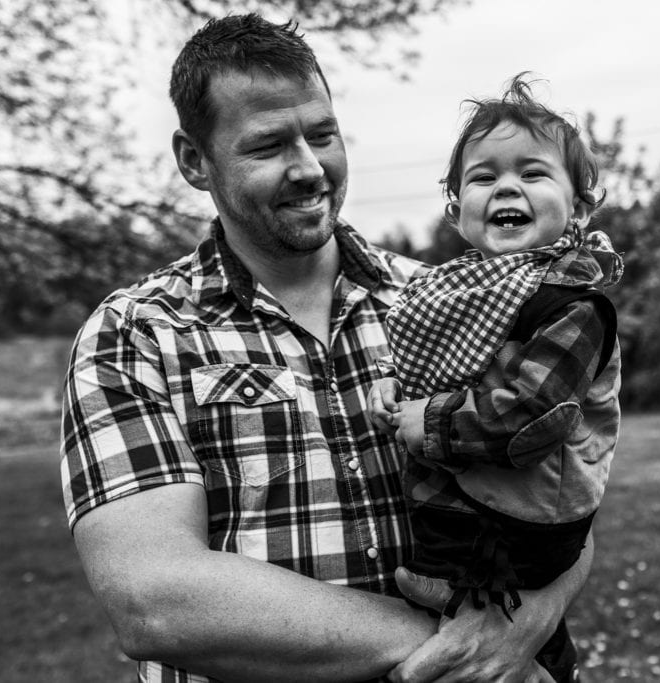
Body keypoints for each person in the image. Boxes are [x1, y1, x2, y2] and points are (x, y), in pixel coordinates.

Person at [60, 14, 594, 683]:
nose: (310, 168)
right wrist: (458, 646)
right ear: (195, 160)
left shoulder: (447, 299)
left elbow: (564, 490)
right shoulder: (136, 332)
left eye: (322, 135)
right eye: (268, 146)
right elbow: (155, 600)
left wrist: (527, 621)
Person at [368, 74, 623, 682]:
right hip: (470, 514)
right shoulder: (459, 289)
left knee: (516, 646)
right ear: (457, 212)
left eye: (533, 173)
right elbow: (429, 363)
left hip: (519, 526)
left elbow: (532, 416)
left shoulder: (571, 305)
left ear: (578, 209)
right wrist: (394, 387)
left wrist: (429, 423)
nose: (507, 186)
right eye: (483, 177)